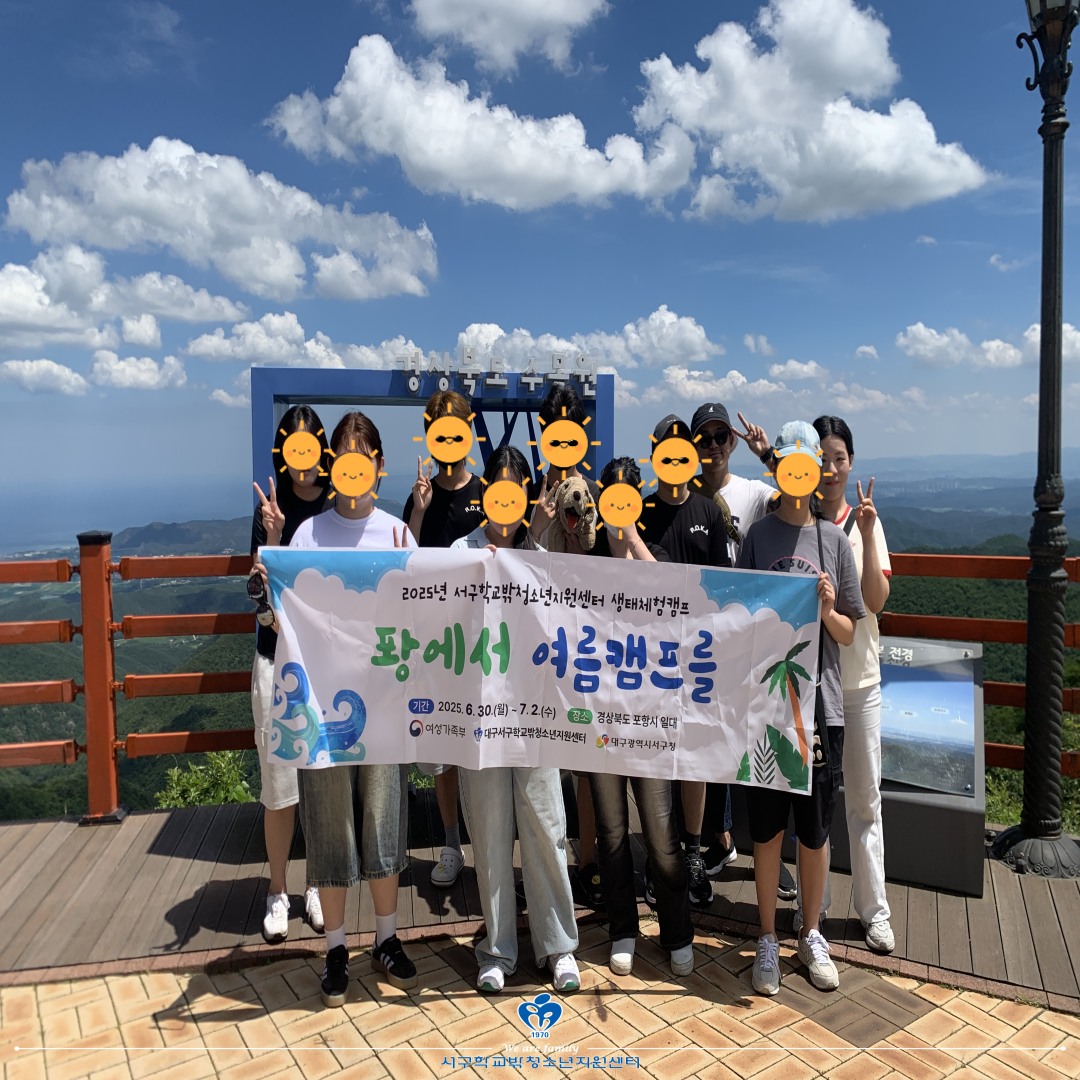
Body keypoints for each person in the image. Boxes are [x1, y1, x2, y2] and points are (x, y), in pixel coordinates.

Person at [289, 411, 418, 1007]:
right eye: (343, 454)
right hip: (322, 710)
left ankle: (387, 938)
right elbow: (285, 620)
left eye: (363, 455)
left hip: (385, 706)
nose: (353, 466)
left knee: (383, 820)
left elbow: (426, 614)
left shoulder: (398, 534)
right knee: (331, 824)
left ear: (379, 465)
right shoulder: (306, 537)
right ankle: (336, 948)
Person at [736, 421, 864, 995]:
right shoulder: (757, 537)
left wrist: (829, 609)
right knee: (766, 831)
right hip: (767, 708)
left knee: (814, 832)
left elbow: (848, 632)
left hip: (821, 710)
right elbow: (738, 616)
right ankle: (766, 936)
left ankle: (811, 932)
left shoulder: (833, 541)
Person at [451, 446, 581, 994]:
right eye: (498, 488)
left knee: (546, 827)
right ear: (486, 493)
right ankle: (498, 949)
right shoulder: (460, 552)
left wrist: (533, 543)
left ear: (529, 495)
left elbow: (564, 620)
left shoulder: (542, 552)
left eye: (517, 489)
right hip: (479, 719)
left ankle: (559, 947)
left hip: (535, 715)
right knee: (489, 833)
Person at [587, 457, 695, 978]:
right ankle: (623, 929)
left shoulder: (656, 553)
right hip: (600, 721)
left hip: (650, 721)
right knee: (611, 834)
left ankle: (677, 930)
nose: (618, 509)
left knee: (661, 834)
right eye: (610, 499)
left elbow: (675, 596)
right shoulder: (586, 561)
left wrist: (632, 540)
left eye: (626, 499)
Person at [805, 415, 895, 955]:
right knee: (816, 803)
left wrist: (865, 531)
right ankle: (816, 909)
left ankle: (874, 911)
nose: (831, 468)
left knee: (864, 800)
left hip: (859, 681)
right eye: (822, 459)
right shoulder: (800, 518)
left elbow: (876, 603)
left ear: (852, 463)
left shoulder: (865, 522)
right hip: (812, 686)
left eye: (839, 458)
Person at [638, 414, 731, 910]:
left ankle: (691, 853)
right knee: (656, 757)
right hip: (648, 658)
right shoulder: (639, 510)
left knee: (694, 756)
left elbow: (722, 583)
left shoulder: (708, 512)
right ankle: (660, 857)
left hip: (698, 654)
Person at [686, 403, 777, 883]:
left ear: (733, 442)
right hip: (704, 635)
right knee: (712, 735)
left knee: (754, 737)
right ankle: (719, 839)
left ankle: (766, 851)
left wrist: (770, 456)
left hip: (751, 629)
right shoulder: (684, 492)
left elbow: (801, 501)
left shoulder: (753, 492)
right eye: (704, 438)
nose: (713, 445)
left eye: (721, 436)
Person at [249, 404, 330, 943]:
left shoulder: (337, 505)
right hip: (275, 658)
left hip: (324, 664)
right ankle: (278, 890)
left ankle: (317, 884)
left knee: (320, 783)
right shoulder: (268, 511)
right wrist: (272, 537)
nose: (302, 458)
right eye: (293, 446)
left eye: (310, 446)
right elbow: (257, 593)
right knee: (279, 785)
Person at [402, 390, 485, 891]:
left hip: (481, 643)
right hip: (435, 643)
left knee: (479, 743)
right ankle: (453, 845)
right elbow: (405, 564)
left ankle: (486, 844)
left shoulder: (487, 491)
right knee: (440, 751)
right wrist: (418, 512)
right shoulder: (421, 495)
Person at [527, 382, 604, 910]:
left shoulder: (592, 492)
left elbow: (602, 562)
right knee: (541, 756)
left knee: (584, 756)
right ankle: (545, 867)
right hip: (536, 640)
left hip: (582, 638)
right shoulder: (528, 489)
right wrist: (539, 513)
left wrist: (581, 526)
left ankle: (589, 862)